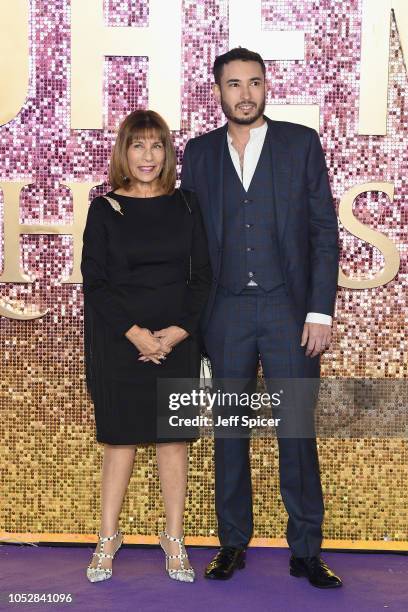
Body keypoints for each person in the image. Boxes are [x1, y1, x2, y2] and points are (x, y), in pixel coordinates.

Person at [181, 47, 342, 588]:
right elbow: (191, 242)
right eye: (233, 85)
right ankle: (232, 543)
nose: (245, 94)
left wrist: (320, 310)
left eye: (253, 83)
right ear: (218, 91)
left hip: (288, 310)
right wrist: (191, 318)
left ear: (266, 85)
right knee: (229, 432)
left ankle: (306, 549)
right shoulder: (199, 153)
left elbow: (323, 230)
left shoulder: (300, 144)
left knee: (296, 431)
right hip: (224, 312)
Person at [81, 109, 211, 583]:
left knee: (173, 442)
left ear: (168, 153)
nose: (148, 156)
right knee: (119, 442)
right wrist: (134, 332)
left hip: (177, 340)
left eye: (157, 145)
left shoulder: (188, 205)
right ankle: (107, 536)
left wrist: (178, 331)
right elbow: (94, 283)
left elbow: (203, 280)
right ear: (124, 151)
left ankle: (173, 539)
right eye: (138, 145)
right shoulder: (104, 207)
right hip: (119, 341)